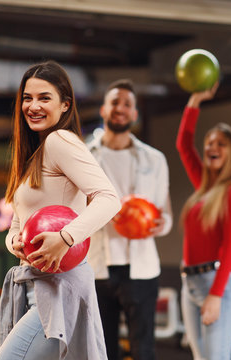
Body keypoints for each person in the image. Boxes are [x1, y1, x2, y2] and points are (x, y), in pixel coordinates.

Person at [0, 60, 121, 360]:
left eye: (44, 98)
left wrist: (65, 238)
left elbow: (109, 198)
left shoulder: (59, 141)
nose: (33, 106)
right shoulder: (32, 156)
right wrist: (14, 241)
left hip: (59, 286)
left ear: (65, 105)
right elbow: (18, 222)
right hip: (36, 284)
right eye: (27, 98)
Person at [87, 79, 173, 360]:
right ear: (103, 109)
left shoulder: (154, 159)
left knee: (143, 350)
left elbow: (165, 211)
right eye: (115, 102)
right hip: (97, 268)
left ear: (135, 114)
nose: (120, 108)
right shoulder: (85, 157)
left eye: (127, 104)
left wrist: (163, 225)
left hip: (142, 269)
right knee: (102, 349)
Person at [176, 83, 231, 360]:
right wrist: (195, 98)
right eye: (209, 142)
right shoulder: (203, 187)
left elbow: (230, 247)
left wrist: (216, 295)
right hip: (189, 283)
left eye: (221, 144)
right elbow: (183, 143)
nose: (212, 147)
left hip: (216, 284)